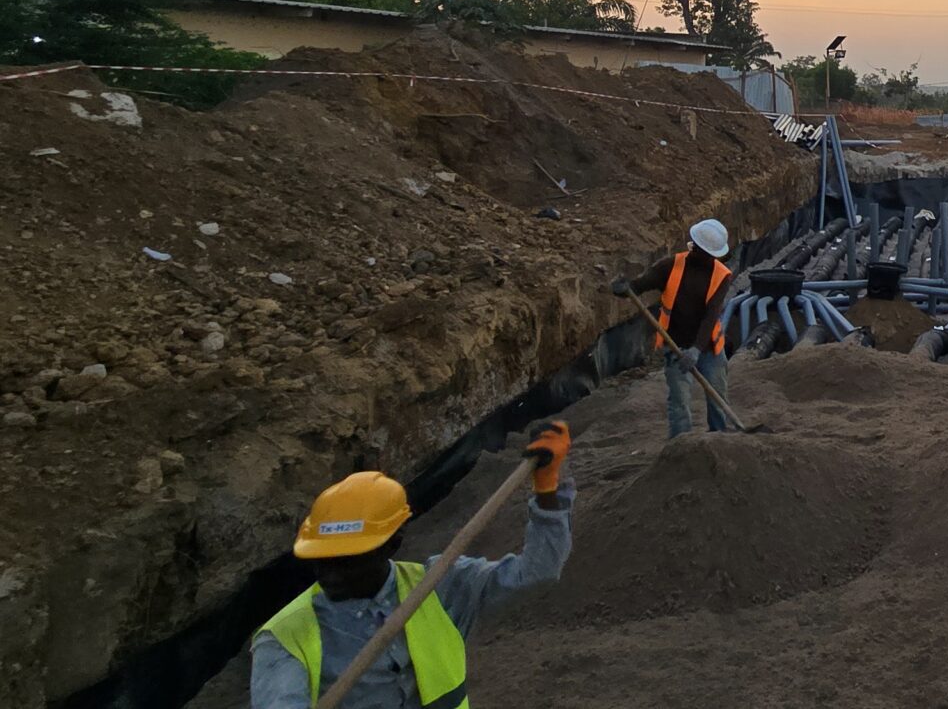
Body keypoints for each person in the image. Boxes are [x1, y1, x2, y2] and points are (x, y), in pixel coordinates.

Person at [248, 422, 573, 708]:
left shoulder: (439, 586)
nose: (328, 573)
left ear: (393, 542)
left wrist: (548, 493)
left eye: (346, 560)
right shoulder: (285, 637)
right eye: (320, 559)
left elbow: (537, 571)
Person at [611, 218, 737, 437]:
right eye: (705, 252)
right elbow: (641, 285)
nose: (709, 258)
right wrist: (625, 288)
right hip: (675, 344)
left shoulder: (722, 276)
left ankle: (719, 438)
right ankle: (680, 444)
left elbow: (711, 317)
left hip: (709, 347)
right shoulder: (670, 266)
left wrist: (697, 349)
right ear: (696, 247)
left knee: (717, 394)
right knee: (679, 400)